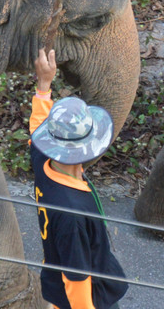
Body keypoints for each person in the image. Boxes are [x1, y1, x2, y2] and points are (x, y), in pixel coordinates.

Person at [30, 48, 128, 309]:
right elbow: (76, 278)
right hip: (86, 298)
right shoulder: (73, 214)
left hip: (56, 276)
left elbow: (37, 124)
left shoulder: (43, 158)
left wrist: (44, 85)